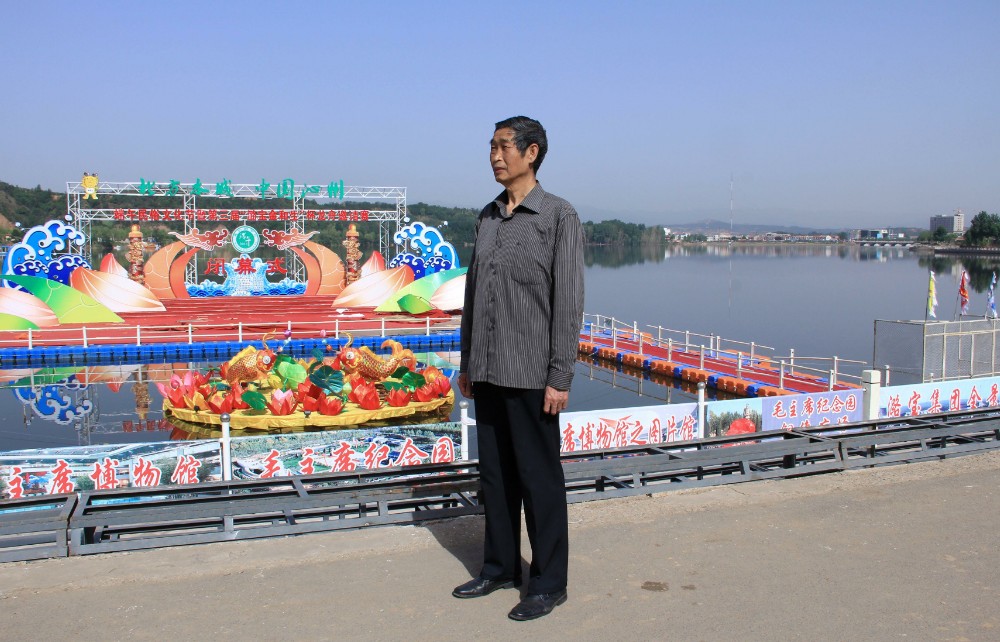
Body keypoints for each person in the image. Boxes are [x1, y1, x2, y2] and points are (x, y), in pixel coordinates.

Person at [452, 116, 585, 621]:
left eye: (504, 146)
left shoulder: (558, 216)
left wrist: (560, 376)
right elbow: (473, 296)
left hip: (532, 374)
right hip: (488, 370)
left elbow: (567, 302)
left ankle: (549, 583)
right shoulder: (487, 217)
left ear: (532, 153)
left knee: (539, 480)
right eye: (491, 147)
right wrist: (467, 362)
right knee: (496, 477)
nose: (495, 156)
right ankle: (500, 568)